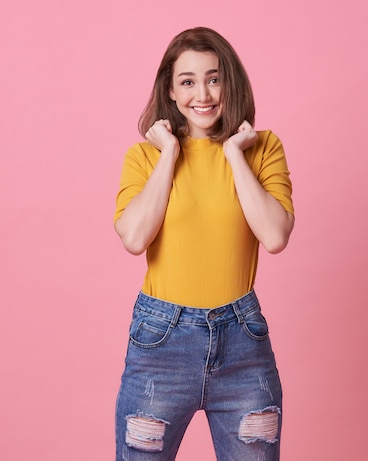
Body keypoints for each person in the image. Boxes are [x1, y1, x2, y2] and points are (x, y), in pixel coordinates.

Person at [113, 26, 295, 460]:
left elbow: (274, 236)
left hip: (243, 347)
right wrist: (170, 154)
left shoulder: (262, 148)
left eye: (214, 78)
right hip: (160, 346)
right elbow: (135, 238)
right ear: (171, 92)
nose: (203, 94)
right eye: (188, 81)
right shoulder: (145, 157)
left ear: (229, 82)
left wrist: (234, 153)